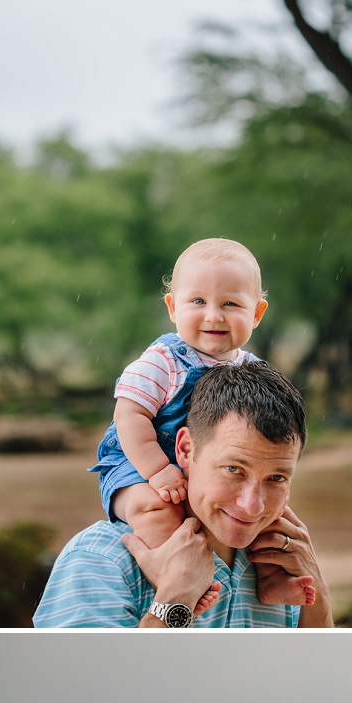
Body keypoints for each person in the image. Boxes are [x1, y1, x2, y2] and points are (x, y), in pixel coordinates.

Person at [34, 360, 333, 628]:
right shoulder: (100, 562)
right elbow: (82, 689)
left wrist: (318, 595)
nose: (252, 506)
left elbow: (322, 685)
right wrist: (174, 601)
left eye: (276, 478)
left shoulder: (286, 572)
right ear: (186, 450)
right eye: (233, 470)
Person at [92, 236, 269, 557]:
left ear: (256, 313)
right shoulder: (162, 362)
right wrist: (157, 470)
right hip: (137, 465)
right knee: (157, 510)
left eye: (230, 304)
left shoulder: (254, 371)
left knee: (270, 519)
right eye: (198, 301)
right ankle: (167, 570)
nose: (214, 316)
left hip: (211, 473)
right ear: (173, 308)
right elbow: (129, 417)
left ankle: (273, 580)